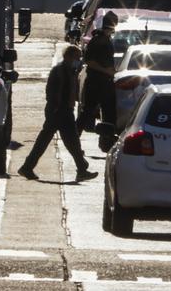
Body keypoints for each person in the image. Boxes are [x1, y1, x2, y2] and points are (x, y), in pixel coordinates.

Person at [18, 45, 98, 182]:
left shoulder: (70, 70)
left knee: (58, 140)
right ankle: (82, 168)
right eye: (77, 57)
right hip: (59, 111)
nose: (78, 60)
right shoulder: (60, 71)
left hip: (64, 110)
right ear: (68, 56)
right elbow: (53, 92)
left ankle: (28, 166)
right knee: (68, 140)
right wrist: (56, 108)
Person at [77, 11, 118, 149]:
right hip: (96, 82)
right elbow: (90, 61)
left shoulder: (105, 38)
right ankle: (74, 138)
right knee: (88, 111)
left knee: (108, 113)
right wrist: (107, 71)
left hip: (104, 81)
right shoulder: (99, 40)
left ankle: (106, 143)